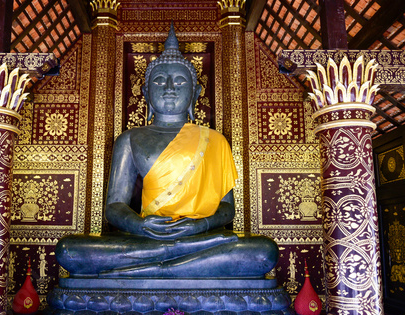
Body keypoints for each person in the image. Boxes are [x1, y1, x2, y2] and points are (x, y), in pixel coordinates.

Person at [56, 24, 278, 278]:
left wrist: (200, 225)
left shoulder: (215, 140)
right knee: (70, 250)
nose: (170, 87)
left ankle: (144, 270)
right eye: (160, 80)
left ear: (195, 93)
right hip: (148, 238)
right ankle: (176, 266)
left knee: (263, 252)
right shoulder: (129, 139)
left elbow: (227, 208)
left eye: (180, 81)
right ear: (146, 92)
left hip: (200, 237)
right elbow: (115, 205)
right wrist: (140, 226)